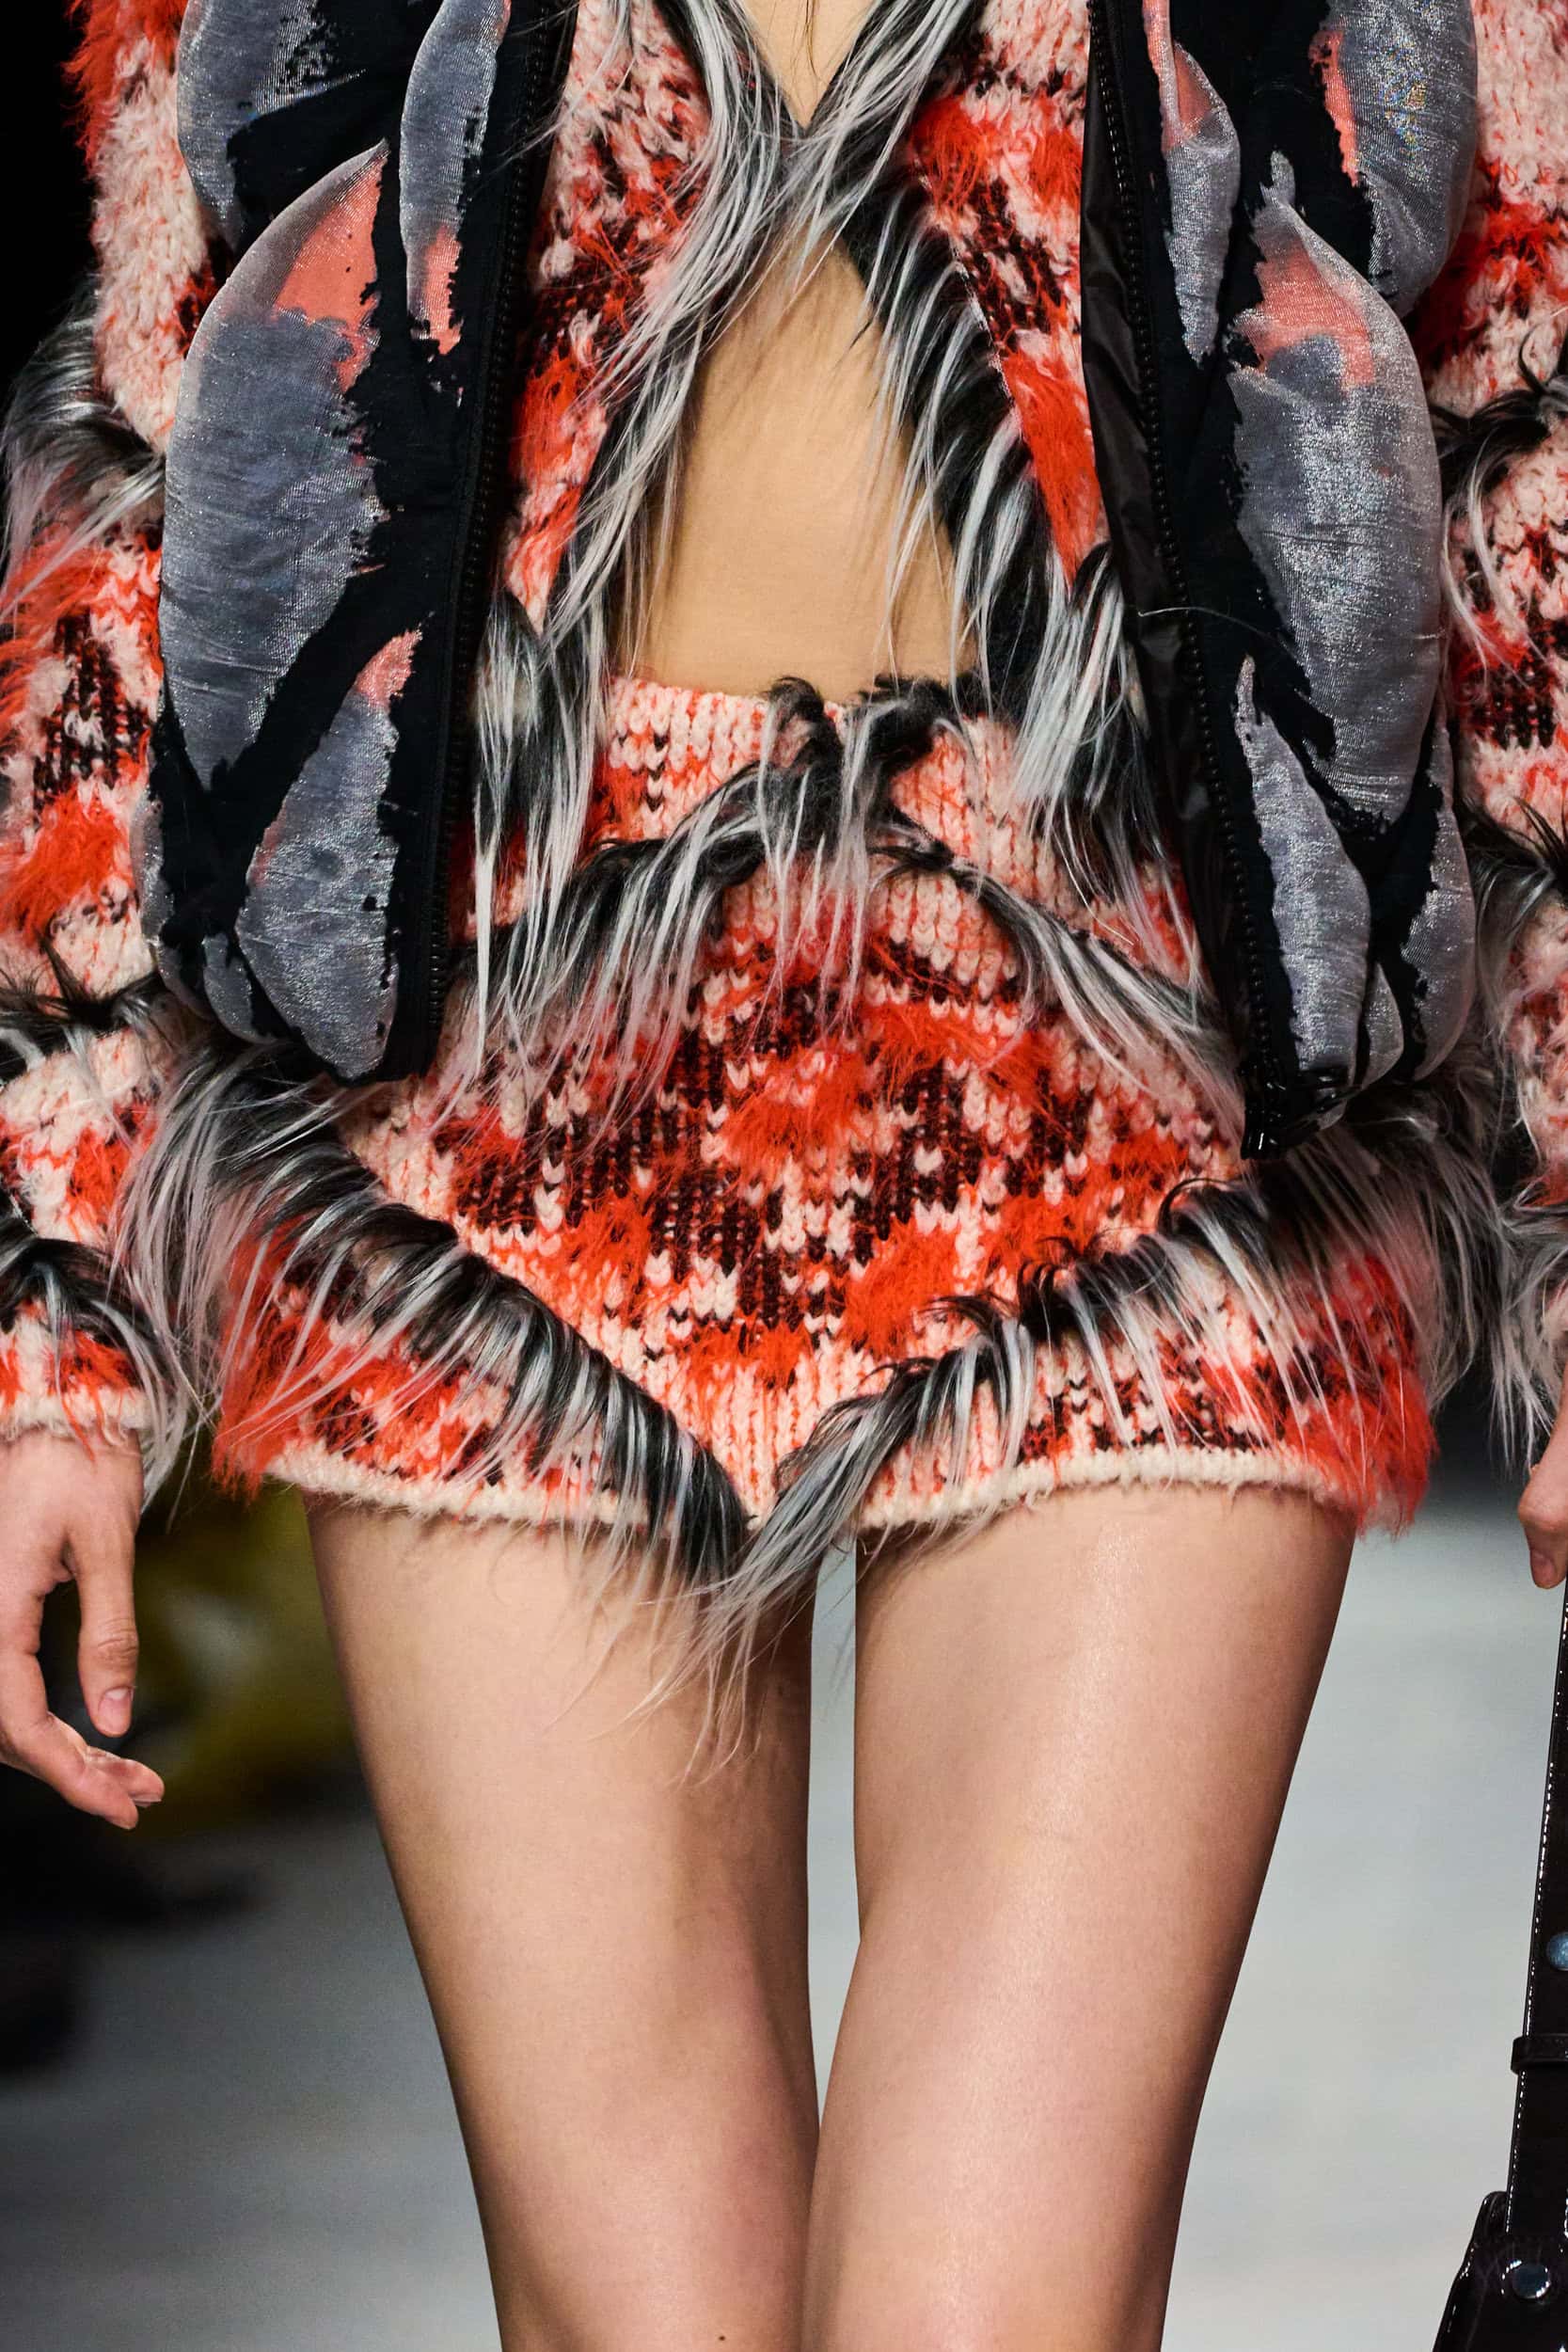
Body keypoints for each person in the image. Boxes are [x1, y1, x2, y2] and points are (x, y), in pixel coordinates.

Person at [1, 1, 1565, 2344]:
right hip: (484, 1099)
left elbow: (1519, 421)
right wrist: (55, 1303)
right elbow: (154, 456)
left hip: (1153, 1082)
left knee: (993, 2307)